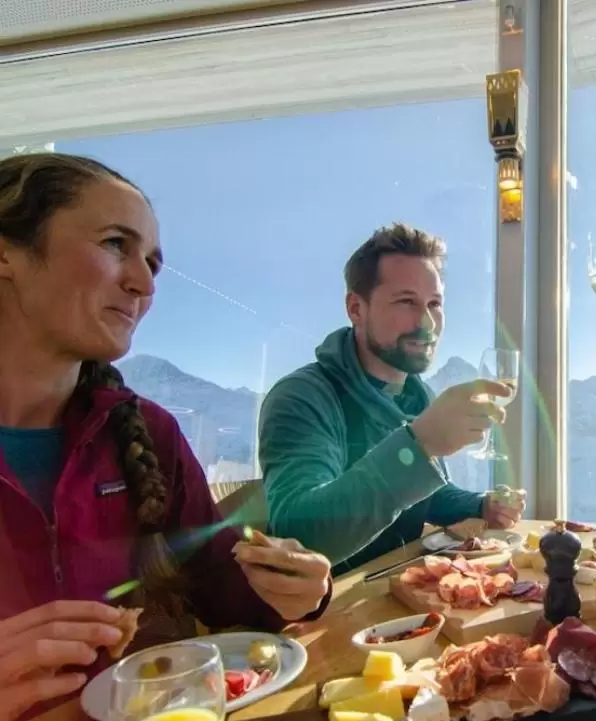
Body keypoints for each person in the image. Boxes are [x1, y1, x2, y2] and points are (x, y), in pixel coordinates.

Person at [0, 152, 333, 721]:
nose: (144, 283)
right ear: (8, 251)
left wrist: (300, 589)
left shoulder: (149, 433)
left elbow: (221, 591)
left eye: (152, 262)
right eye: (114, 244)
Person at [259, 223, 524, 575]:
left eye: (434, 304)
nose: (427, 322)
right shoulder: (302, 397)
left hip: (403, 594)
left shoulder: (417, 395)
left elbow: (426, 497)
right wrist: (420, 444)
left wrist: (481, 505)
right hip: (327, 614)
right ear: (356, 308)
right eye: (406, 302)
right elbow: (300, 537)